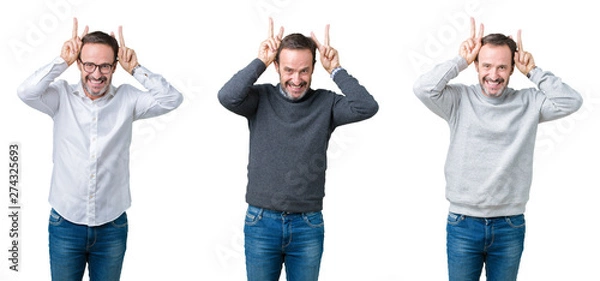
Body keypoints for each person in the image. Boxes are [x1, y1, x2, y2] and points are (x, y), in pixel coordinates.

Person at [413, 17, 583, 281]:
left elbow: (571, 101)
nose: (494, 75)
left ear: (512, 68)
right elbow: (422, 88)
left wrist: (534, 71)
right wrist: (459, 61)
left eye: (502, 67)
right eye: (487, 65)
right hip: (463, 223)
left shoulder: (529, 102)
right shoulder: (458, 99)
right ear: (476, 66)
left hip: (510, 223)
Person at [17, 18, 183, 281]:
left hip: (112, 226)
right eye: (90, 65)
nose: (97, 74)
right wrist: (62, 61)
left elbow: (172, 99)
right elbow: (25, 92)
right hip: (65, 224)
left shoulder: (128, 99)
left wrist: (137, 68)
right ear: (79, 64)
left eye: (105, 65)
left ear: (115, 66)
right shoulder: (60, 97)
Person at [218, 18, 378, 281]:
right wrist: (260, 61)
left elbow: (366, 107)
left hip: (307, 224)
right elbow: (227, 96)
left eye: (304, 71)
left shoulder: (326, 103)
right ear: (277, 68)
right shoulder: (260, 99)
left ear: (314, 68)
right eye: (289, 70)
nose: (296, 79)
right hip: (261, 222)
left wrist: (336, 70)